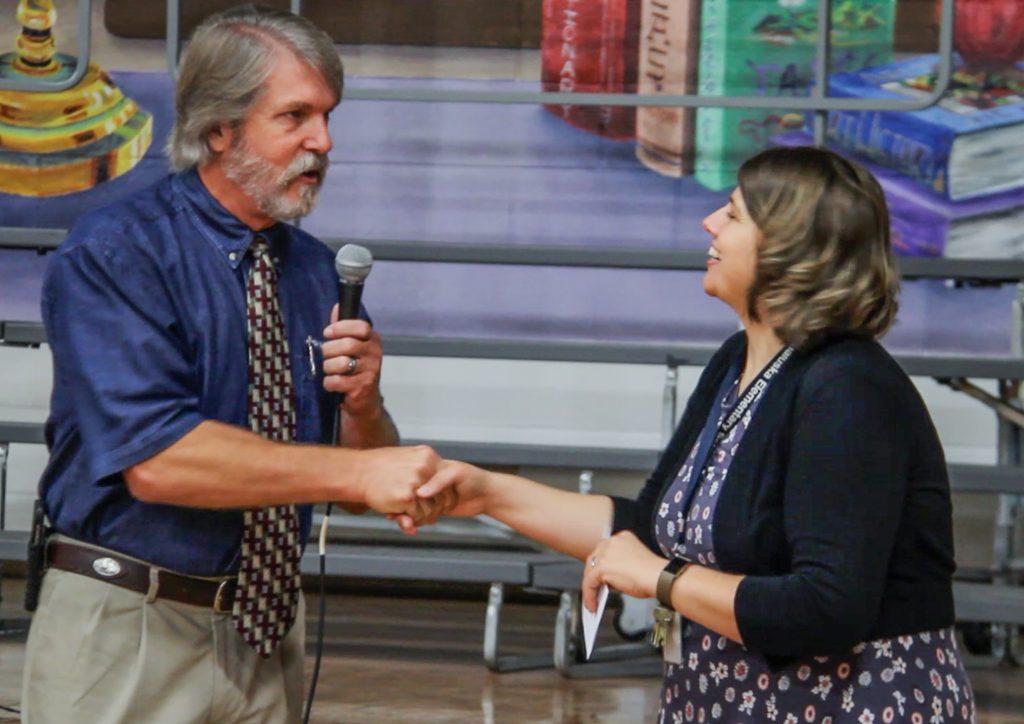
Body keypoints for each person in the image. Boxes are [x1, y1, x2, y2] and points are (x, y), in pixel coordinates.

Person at [419, 146, 976, 722]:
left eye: (732, 214)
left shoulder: (848, 386)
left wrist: (662, 580)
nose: (709, 222)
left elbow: (827, 607)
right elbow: (652, 531)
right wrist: (486, 493)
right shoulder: (739, 360)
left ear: (789, 249)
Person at [22, 6, 449, 723]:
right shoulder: (120, 253)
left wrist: (365, 405)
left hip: (265, 628)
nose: (323, 141)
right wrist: (358, 473)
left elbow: (352, 487)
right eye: (295, 116)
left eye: (328, 116)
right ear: (219, 128)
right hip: (130, 622)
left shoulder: (315, 272)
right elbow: (158, 461)